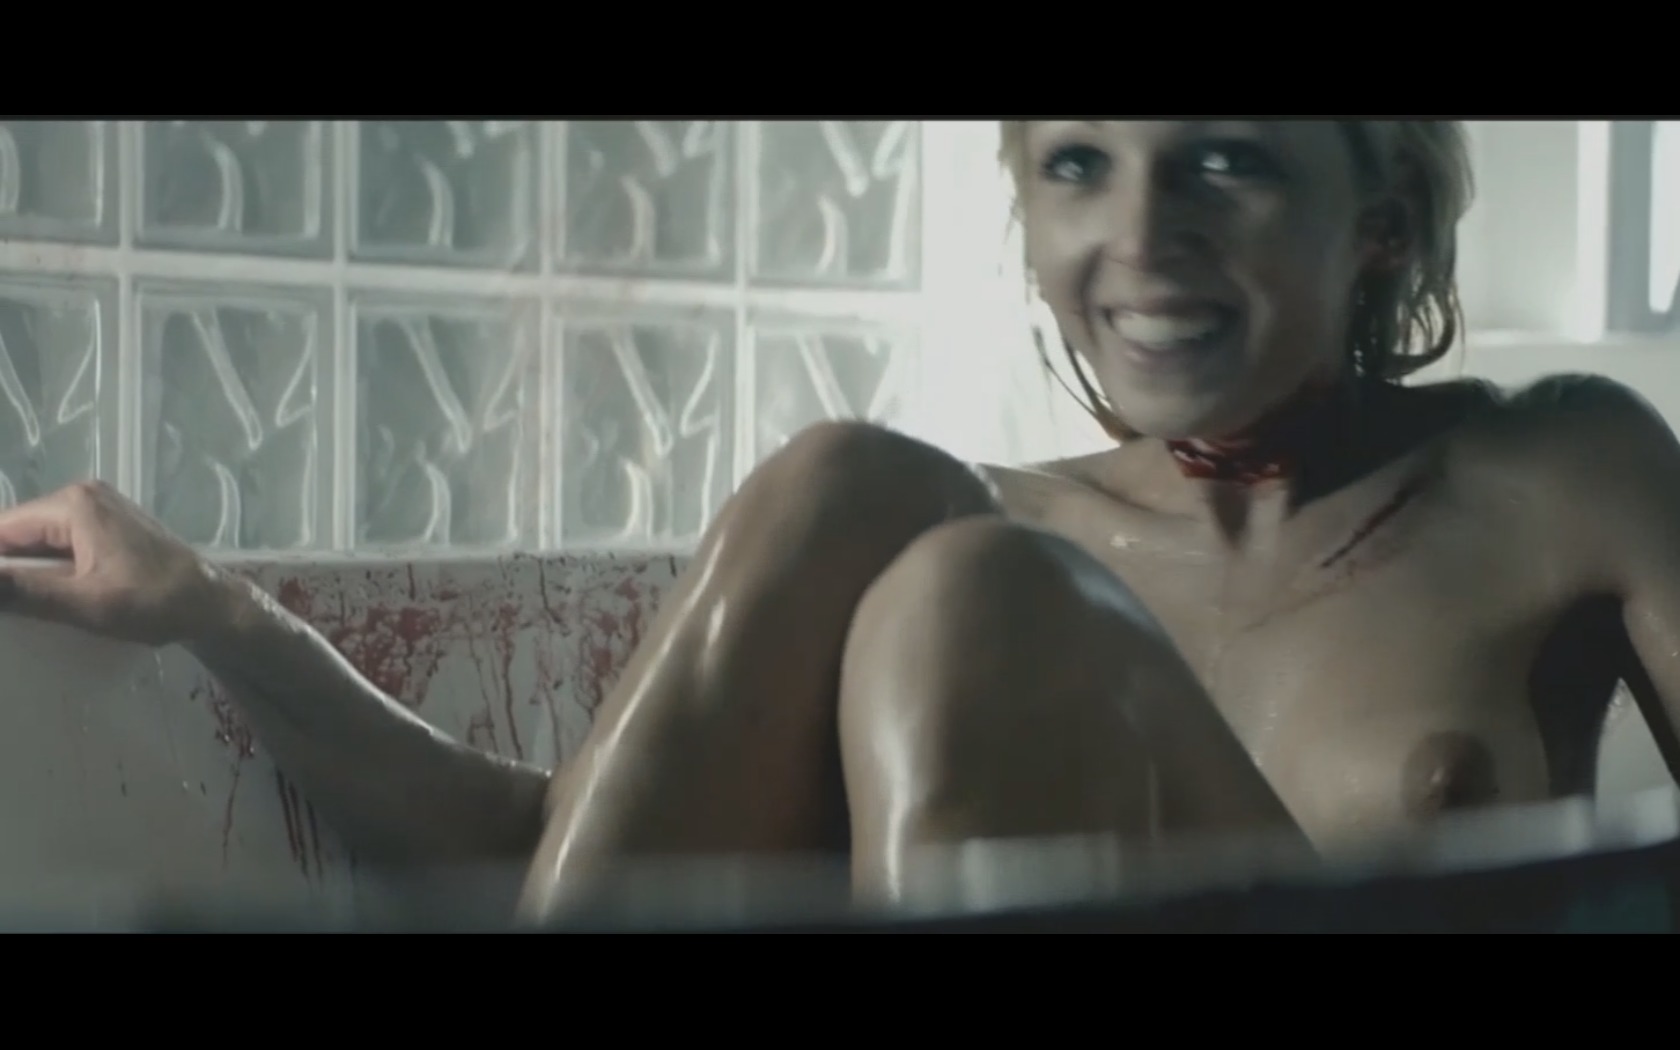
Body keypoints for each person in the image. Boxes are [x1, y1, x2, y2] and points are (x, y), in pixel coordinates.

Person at [2, 120, 1678, 925]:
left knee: (979, 600)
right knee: (855, 490)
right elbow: (577, 858)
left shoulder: (1556, 471)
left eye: (1225, 158)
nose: (1140, 234)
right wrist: (219, 611)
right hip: (962, 575)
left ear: (1380, 212)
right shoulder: (949, 541)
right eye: (1079, 162)